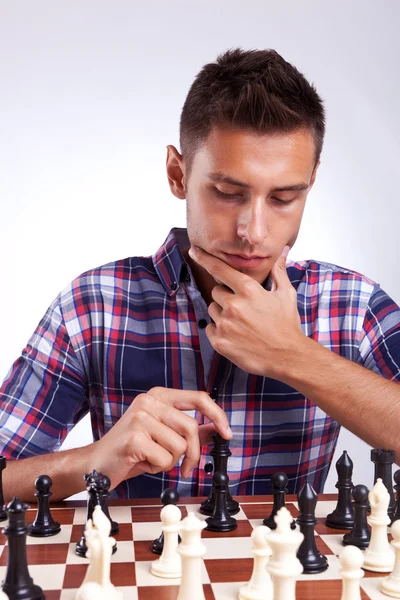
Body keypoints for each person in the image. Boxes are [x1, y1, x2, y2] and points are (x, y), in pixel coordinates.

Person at [1, 48, 399, 503]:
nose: (254, 232)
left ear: (311, 181)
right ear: (178, 173)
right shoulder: (93, 304)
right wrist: (91, 461)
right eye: (229, 193)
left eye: (284, 198)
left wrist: (294, 355)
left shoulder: (352, 304)